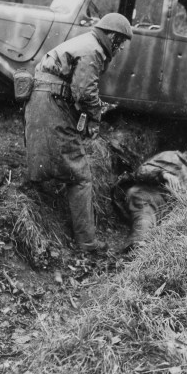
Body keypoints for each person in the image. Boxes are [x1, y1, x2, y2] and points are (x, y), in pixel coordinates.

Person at [24, 13, 133, 252]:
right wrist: (94, 117)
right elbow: (83, 91)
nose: (122, 47)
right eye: (122, 41)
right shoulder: (94, 50)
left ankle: (43, 195)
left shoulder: (88, 43)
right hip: (51, 102)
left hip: (44, 99)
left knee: (43, 159)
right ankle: (86, 242)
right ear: (113, 36)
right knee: (80, 176)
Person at [112, 136, 187, 251]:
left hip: (172, 210)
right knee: (144, 208)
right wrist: (162, 174)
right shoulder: (171, 156)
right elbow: (141, 172)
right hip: (150, 196)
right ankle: (137, 245)